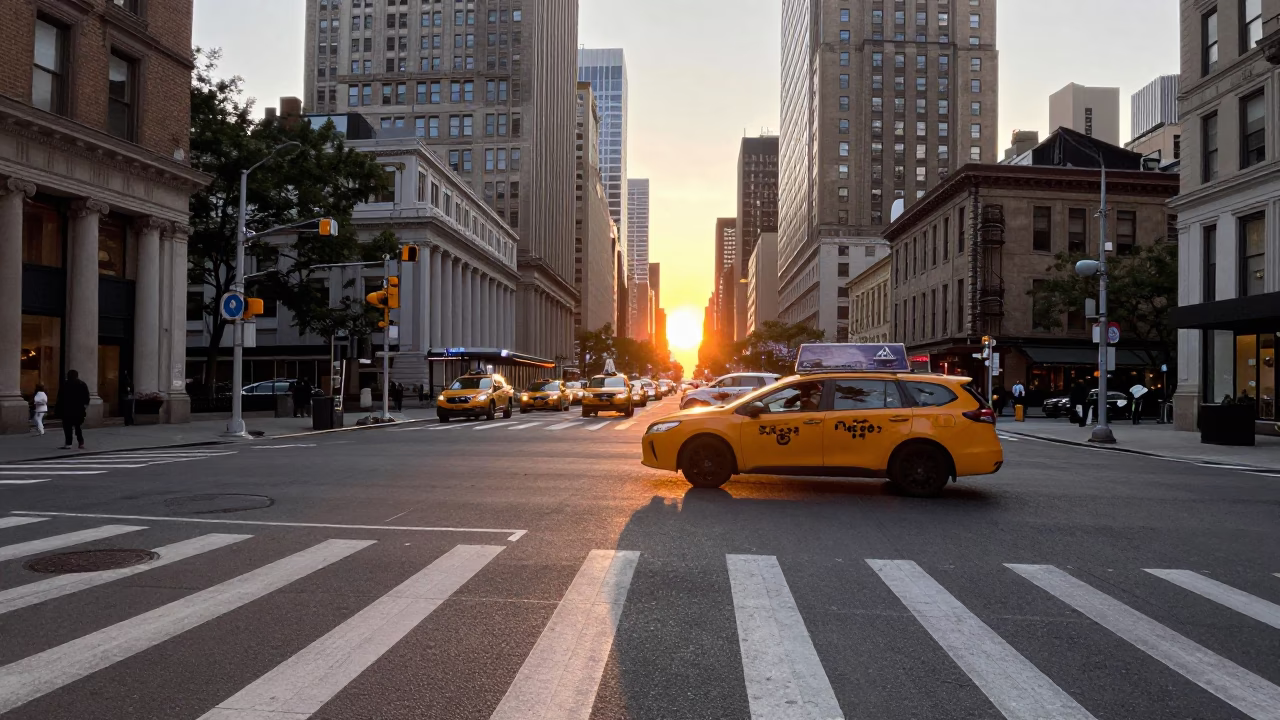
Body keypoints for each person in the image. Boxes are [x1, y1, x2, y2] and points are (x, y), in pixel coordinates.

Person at [56, 369, 90, 450]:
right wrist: (84, 406)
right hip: (79, 410)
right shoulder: (82, 384)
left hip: (67, 409)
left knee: (67, 427)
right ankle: (81, 442)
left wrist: (59, 408)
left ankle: (68, 444)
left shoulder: (65, 384)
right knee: (78, 427)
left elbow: (60, 397)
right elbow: (86, 397)